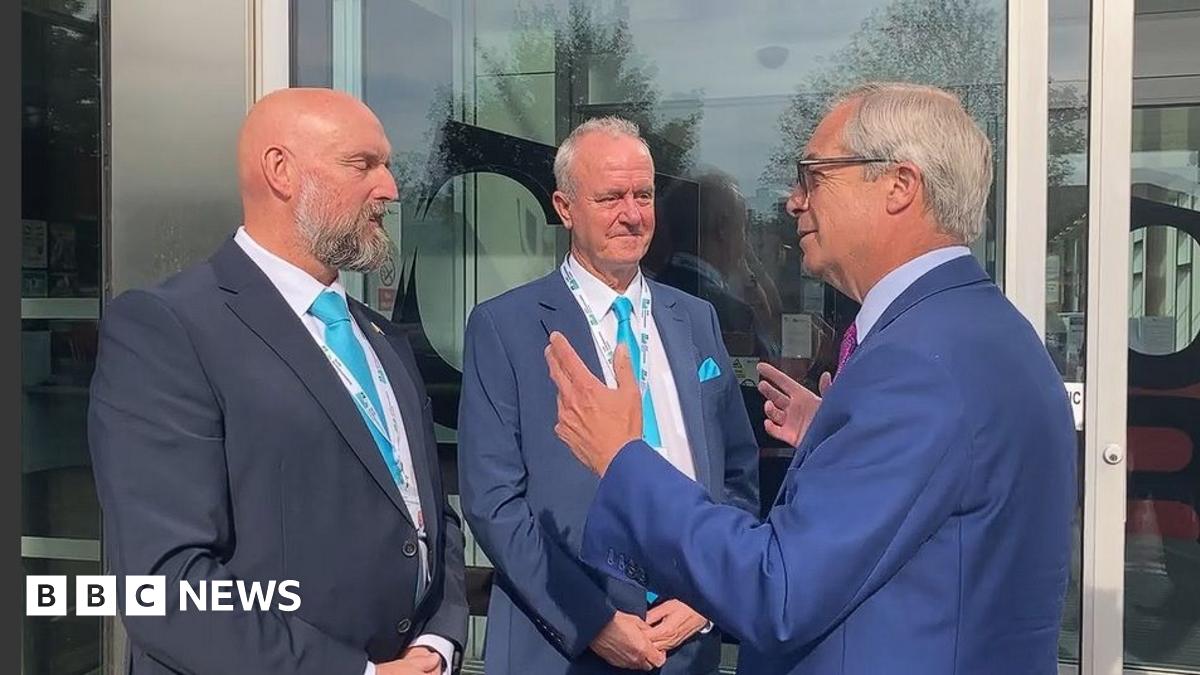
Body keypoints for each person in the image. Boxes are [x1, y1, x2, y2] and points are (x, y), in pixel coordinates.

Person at [544, 83, 1076, 674]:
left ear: (899, 185)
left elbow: (776, 592)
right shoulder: (980, 331)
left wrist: (623, 459)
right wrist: (838, 438)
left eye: (814, 175)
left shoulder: (918, 367)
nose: (793, 201)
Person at [87, 88, 467, 675]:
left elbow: (428, 513)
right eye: (363, 165)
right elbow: (164, 583)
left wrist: (438, 642)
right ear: (280, 171)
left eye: (387, 166)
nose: (390, 189)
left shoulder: (383, 338)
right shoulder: (168, 328)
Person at [458, 117, 760, 674]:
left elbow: (737, 475)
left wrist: (708, 592)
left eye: (642, 195)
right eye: (610, 197)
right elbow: (493, 502)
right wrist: (592, 621)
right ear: (565, 207)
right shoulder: (505, 326)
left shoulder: (696, 319)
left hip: (686, 642)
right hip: (563, 644)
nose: (632, 213)